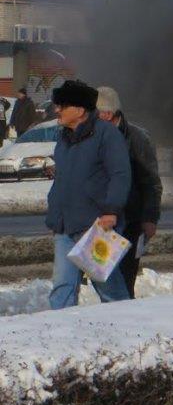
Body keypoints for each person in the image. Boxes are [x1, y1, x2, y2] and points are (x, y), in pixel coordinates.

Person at [45, 79, 132, 309]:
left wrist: (111, 211)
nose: (57, 110)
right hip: (65, 227)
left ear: (80, 110)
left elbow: (120, 175)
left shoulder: (107, 135)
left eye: (62, 105)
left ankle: (130, 334)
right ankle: (62, 337)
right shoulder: (63, 138)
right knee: (61, 289)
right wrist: (54, 214)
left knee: (109, 290)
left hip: (96, 227)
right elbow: (63, 180)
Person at [96, 86, 162, 298]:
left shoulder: (137, 138)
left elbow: (150, 181)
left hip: (131, 219)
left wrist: (150, 218)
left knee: (125, 276)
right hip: (102, 218)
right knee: (102, 274)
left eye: (96, 113)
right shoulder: (94, 135)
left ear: (108, 114)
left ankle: (126, 320)